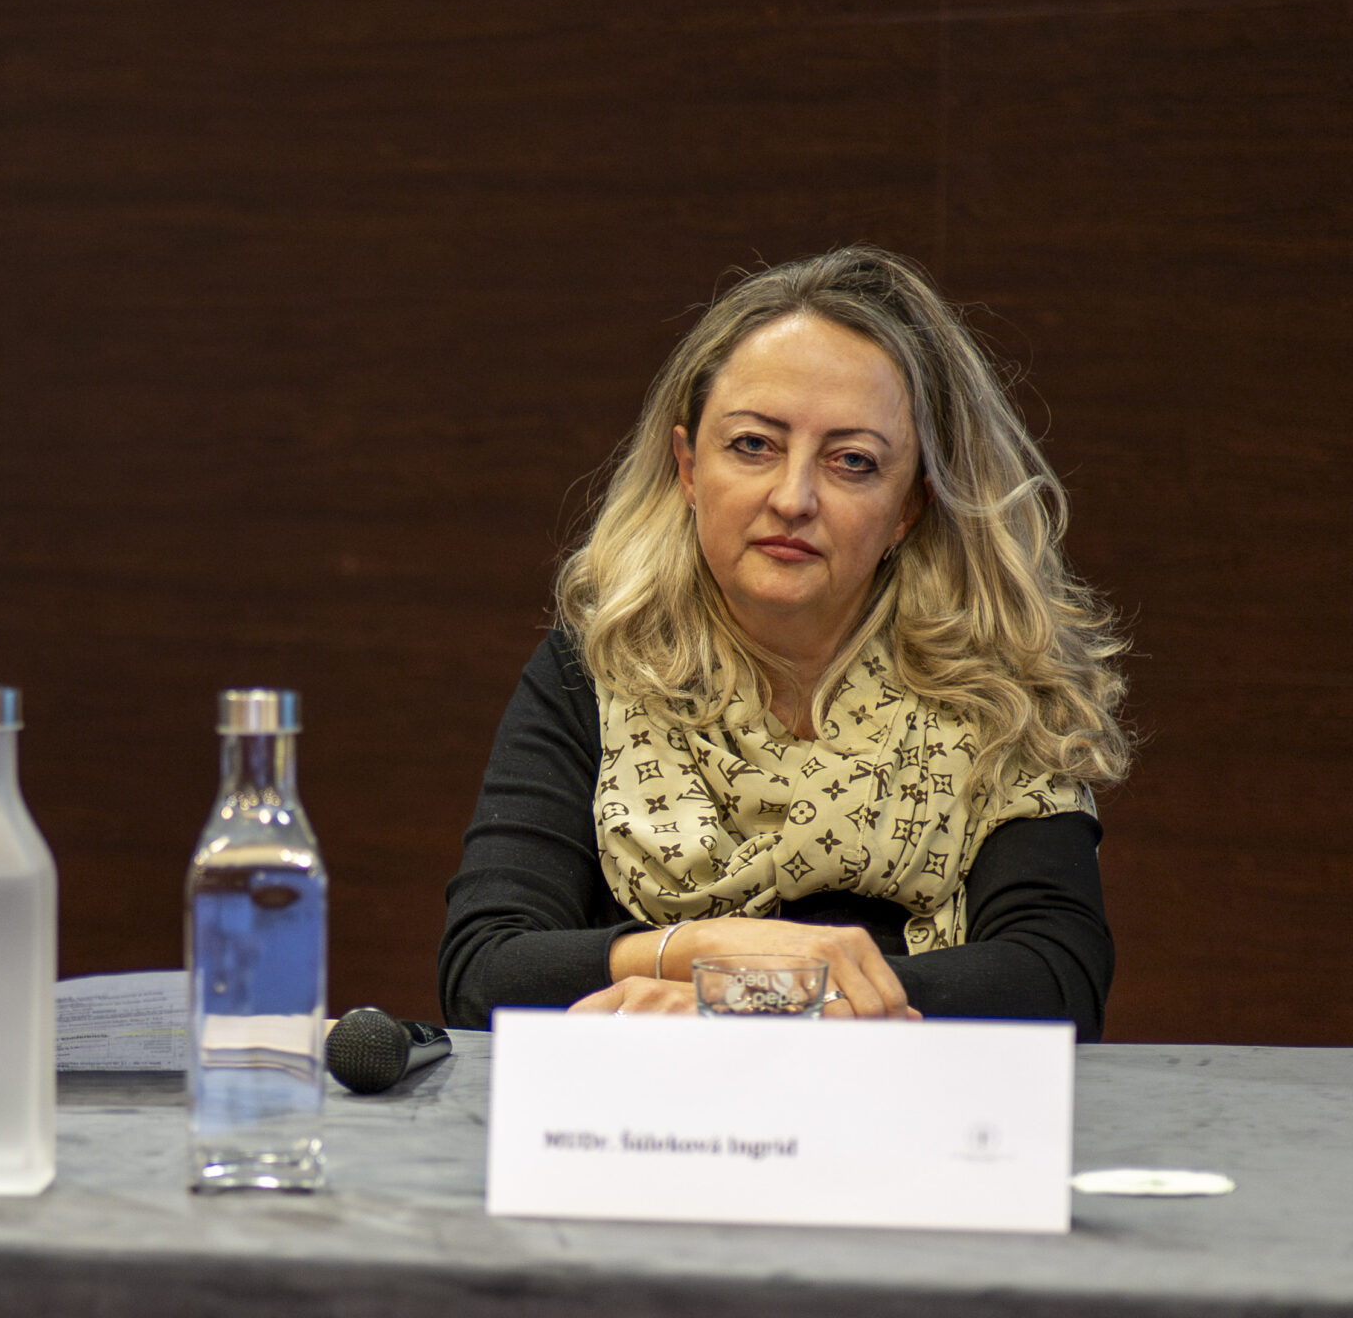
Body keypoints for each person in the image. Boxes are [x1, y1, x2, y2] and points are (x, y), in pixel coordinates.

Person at [440, 246, 1128, 1039]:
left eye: (853, 462)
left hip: (905, 1109)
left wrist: (760, 997)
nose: (793, 498)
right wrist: (703, 950)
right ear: (687, 467)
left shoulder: (999, 688)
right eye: (754, 445)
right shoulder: (599, 667)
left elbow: (1057, 982)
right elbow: (482, 971)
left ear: (909, 508)